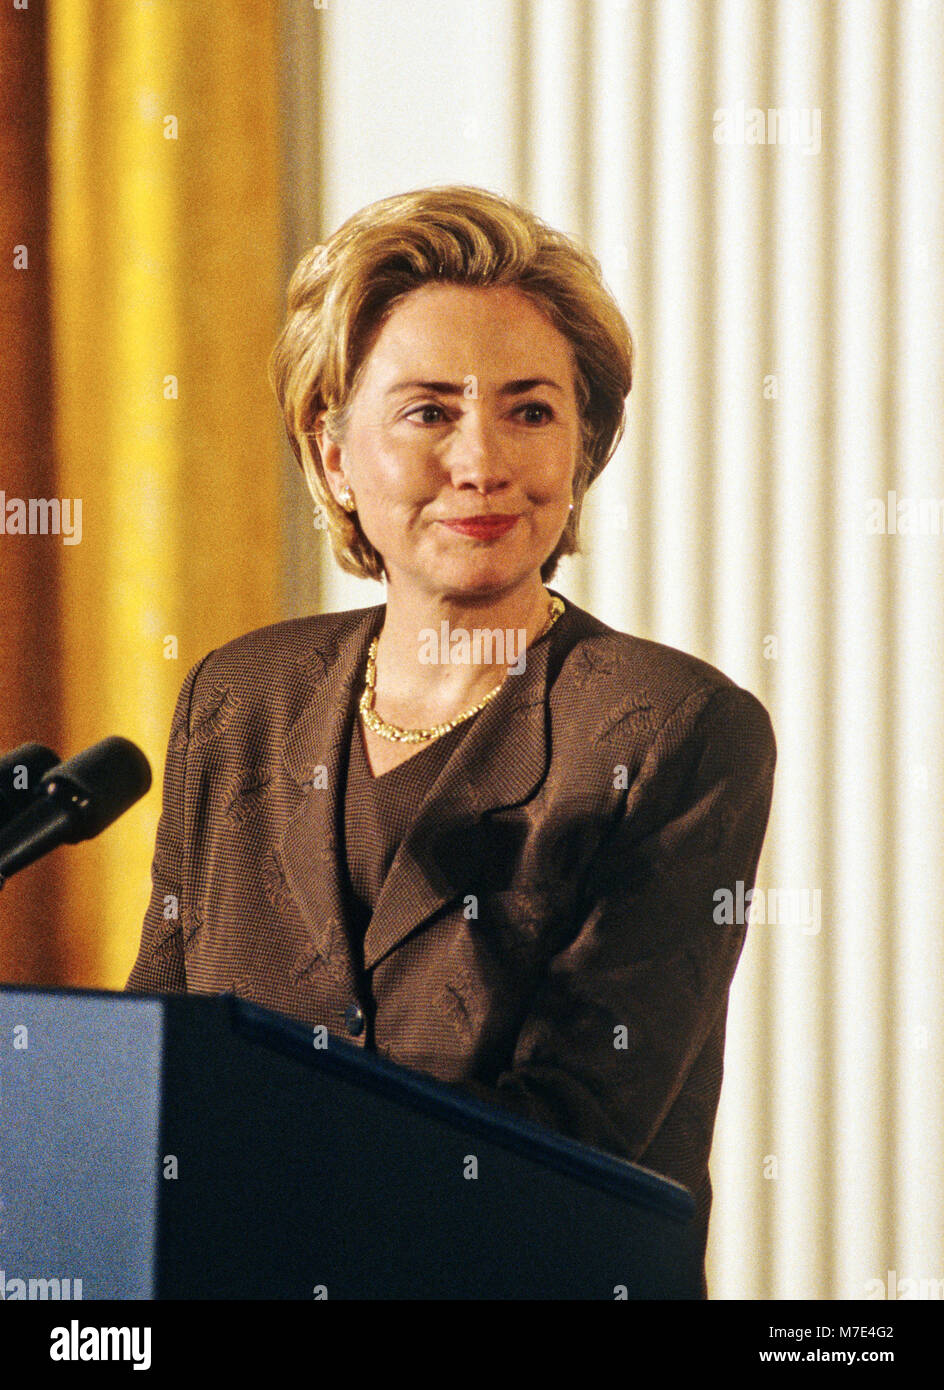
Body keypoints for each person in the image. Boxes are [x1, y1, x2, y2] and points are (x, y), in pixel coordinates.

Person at [126, 185, 776, 1293]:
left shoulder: (671, 727)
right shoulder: (238, 699)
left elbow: (564, 1135)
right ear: (333, 453)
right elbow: (152, 1062)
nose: (482, 462)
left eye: (529, 411)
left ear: (583, 447)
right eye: (428, 412)